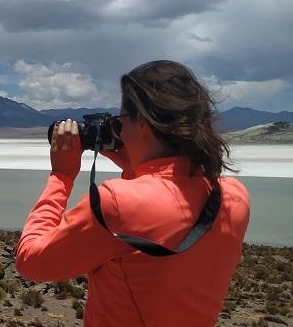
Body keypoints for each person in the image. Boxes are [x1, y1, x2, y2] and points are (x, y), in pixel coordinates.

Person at [15, 60, 250, 327]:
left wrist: (61, 176)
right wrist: (137, 169)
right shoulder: (234, 196)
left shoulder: (116, 203)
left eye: (120, 123)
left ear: (144, 125)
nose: (120, 133)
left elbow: (31, 261)